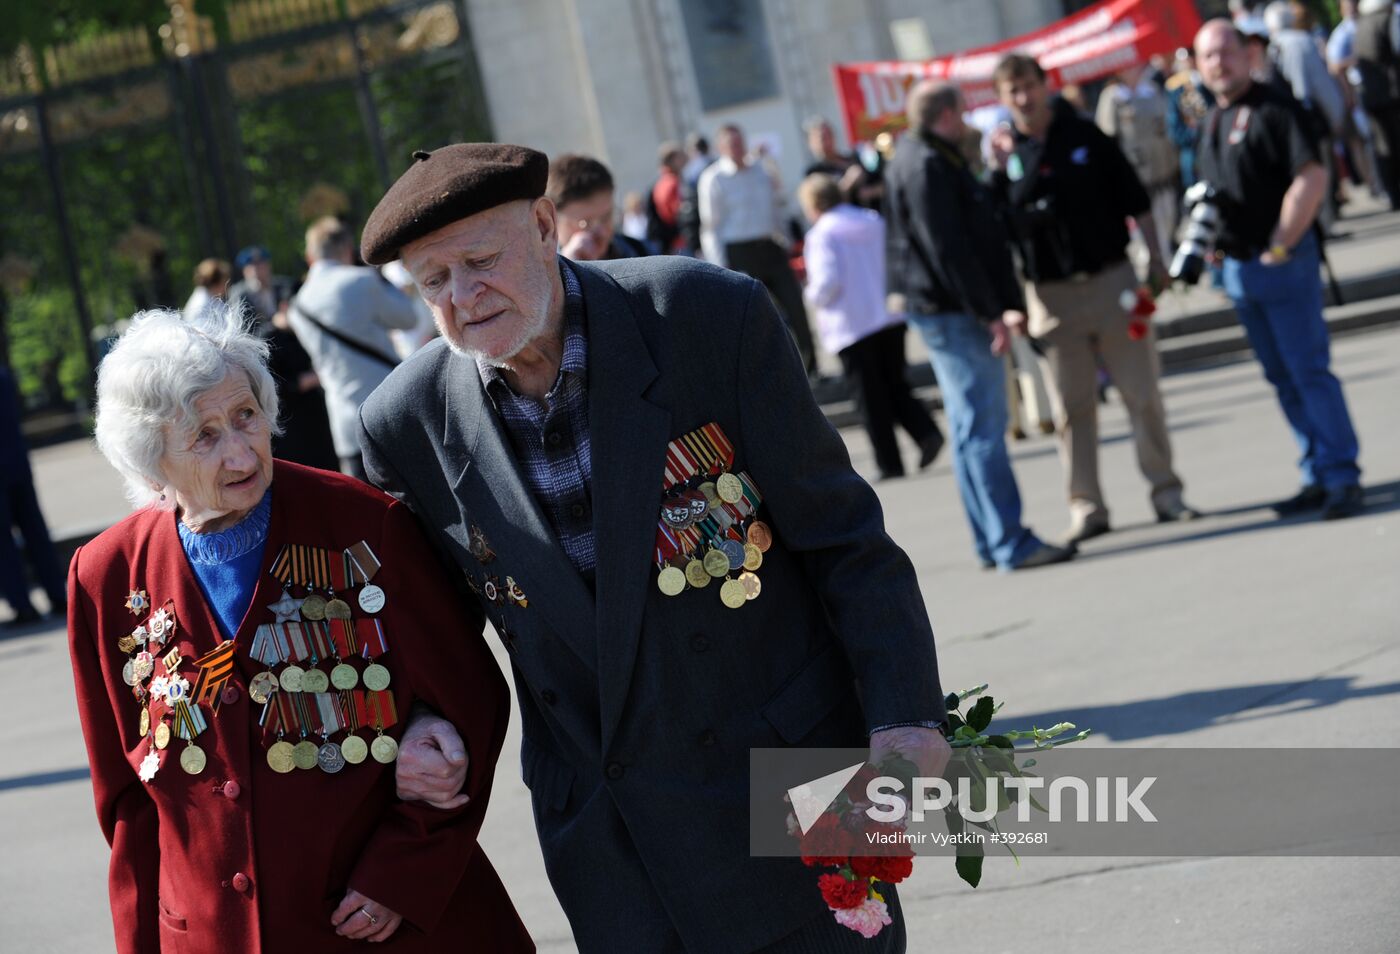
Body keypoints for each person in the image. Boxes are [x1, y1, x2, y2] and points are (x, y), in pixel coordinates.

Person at [355, 143, 953, 952]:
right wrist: (432, 726)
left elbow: (845, 542)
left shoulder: (705, 316)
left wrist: (905, 718)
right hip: (613, 837)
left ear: (543, 226)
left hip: (793, 788)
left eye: (479, 260)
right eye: (433, 282)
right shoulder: (406, 421)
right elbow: (439, 643)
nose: (462, 297)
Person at [67, 305, 532, 953]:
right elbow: (127, 801)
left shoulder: (364, 525)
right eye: (203, 435)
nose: (239, 450)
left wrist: (402, 872)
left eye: (246, 415)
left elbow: (471, 703)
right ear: (152, 461)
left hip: (382, 926)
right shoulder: (105, 574)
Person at [991, 53, 1200, 544]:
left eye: (1029, 86)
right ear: (1003, 99)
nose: (1023, 98)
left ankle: (1166, 492)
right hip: (1051, 296)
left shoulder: (1085, 135)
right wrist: (999, 174)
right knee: (1071, 408)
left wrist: (1155, 258)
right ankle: (1087, 506)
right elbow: (999, 232)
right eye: (1012, 90)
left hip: (1112, 282)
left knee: (1141, 394)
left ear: (1045, 86)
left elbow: (1136, 199)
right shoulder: (1005, 156)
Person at [883, 81, 1076, 571]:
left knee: (972, 430)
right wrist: (990, 311)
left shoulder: (918, 155)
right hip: (956, 312)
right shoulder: (926, 162)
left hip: (943, 309)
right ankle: (1009, 539)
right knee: (984, 430)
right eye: (963, 112)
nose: (968, 120)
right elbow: (949, 250)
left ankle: (992, 540)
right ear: (946, 114)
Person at [1194, 20, 1365, 519]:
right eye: (1208, 57)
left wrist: (1280, 244)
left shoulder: (1276, 108)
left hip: (1281, 263)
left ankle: (1341, 475)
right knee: (1282, 378)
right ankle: (1315, 470)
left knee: (1309, 372)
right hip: (1240, 268)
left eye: (1226, 52)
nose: (1218, 64)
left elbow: (1310, 177)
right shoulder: (1213, 118)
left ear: (1248, 54)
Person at [796, 173, 945, 482]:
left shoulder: (822, 235)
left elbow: (826, 283)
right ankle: (925, 431)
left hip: (852, 323)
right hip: (888, 315)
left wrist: (810, 296)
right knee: (895, 382)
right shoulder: (871, 220)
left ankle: (889, 461)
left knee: (868, 397)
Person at [289, 216, 419, 481]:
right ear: (348, 249)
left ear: (309, 256)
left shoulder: (297, 307)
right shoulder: (362, 280)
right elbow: (409, 318)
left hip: (346, 427)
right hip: (392, 409)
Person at [698, 123, 818, 375]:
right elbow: (712, 227)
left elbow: (775, 208)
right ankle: (767, 375)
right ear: (721, 147)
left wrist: (786, 240)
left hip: (770, 246)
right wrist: (719, 266)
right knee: (754, 317)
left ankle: (811, 369)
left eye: (739, 142)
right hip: (739, 251)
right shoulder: (713, 178)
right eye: (731, 144)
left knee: (795, 307)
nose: (737, 149)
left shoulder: (760, 171)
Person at [0, 363, 66, 627]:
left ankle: (23, 605)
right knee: (36, 532)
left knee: (4, 543)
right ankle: (57, 595)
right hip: (17, 465)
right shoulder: (3, 374)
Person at [1096, 65, 1182, 258]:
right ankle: (1152, 260)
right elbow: (1108, 135)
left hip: (1161, 165)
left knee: (1167, 214)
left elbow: (1166, 122)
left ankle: (1167, 256)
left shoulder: (1151, 90)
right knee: (1144, 221)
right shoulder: (1112, 97)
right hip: (1136, 170)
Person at [546, 154, 651, 261]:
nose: (602, 232)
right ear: (553, 221)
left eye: (606, 218)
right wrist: (565, 269)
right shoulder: (540, 271)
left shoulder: (641, 252)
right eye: (585, 223)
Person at [1355, 0, 1400, 208]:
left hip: (1372, 97)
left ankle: (1392, 193)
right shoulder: (1389, 20)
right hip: (1393, 94)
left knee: (1383, 146)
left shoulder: (1360, 25)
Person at [803, 116, 884, 209]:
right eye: (820, 138)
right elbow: (823, 205)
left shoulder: (854, 158)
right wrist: (848, 182)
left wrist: (870, 192)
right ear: (810, 143)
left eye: (827, 135)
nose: (825, 142)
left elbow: (882, 184)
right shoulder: (814, 173)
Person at [1168, 49, 1217, 187]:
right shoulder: (1177, 90)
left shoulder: (1215, 85)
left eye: (1193, 54)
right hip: (1194, 162)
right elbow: (1176, 132)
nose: (1190, 60)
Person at [225, 246, 293, 336]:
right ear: (244, 272)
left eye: (262, 266)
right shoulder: (239, 294)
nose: (258, 272)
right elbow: (244, 331)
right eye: (252, 268)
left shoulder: (283, 286)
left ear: (269, 266)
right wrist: (273, 324)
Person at [646, 142, 687, 254]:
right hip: (679, 242)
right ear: (672, 160)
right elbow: (673, 213)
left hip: (672, 242)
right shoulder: (671, 182)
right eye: (680, 157)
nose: (684, 159)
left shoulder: (663, 181)